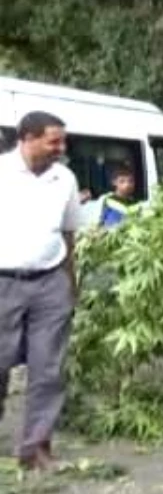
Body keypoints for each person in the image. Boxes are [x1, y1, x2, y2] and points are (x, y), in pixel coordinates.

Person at [0, 111, 85, 471]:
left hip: (51, 282)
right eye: (54, 141)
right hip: (3, 281)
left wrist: (71, 282)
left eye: (62, 141)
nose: (61, 148)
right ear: (28, 137)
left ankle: (35, 449)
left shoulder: (63, 178)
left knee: (48, 369)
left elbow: (69, 233)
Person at [95, 163, 137, 229]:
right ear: (114, 182)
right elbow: (101, 221)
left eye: (131, 181)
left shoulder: (134, 202)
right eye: (122, 181)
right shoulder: (109, 200)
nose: (127, 185)